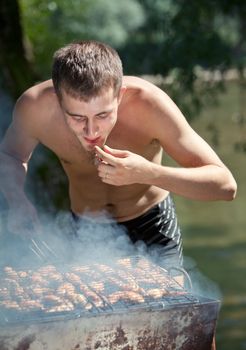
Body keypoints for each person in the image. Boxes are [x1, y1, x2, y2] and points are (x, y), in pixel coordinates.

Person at [0, 40, 237, 268]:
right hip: (85, 227)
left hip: (152, 224)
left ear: (120, 95)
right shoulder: (35, 108)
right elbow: (11, 155)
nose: (91, 131)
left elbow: (225, 186)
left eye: (103, 115)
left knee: (167, 306)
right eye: (77, 117)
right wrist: (17, 200)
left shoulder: (150, 105)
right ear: (58, 100)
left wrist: (149, 173)